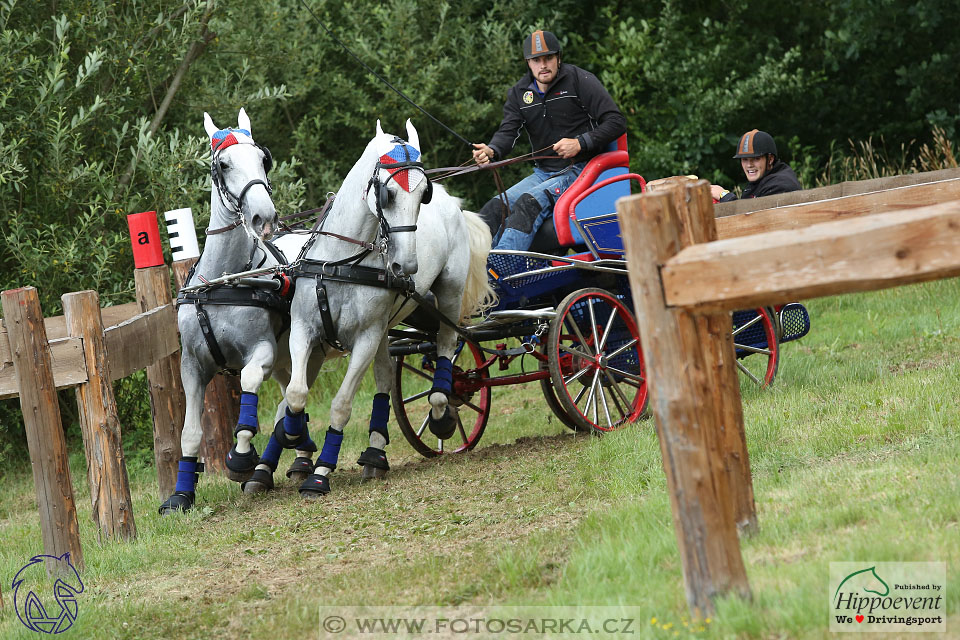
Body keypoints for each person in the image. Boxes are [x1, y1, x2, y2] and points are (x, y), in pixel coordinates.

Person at [472, 29, 627, 251]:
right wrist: (492, 150)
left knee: (528, 203)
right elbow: (507, 132)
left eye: (548, 58)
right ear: (528, 62)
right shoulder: (519, 93)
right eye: (536, 60)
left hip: (581, 171)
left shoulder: (579, 80)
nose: (543, 65)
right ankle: (479, 271)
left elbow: (616, 121)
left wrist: (580, 143)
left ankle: (502, 267)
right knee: (492, 209)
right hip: (543, 174)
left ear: (558, 58)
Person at [711, 129, 801, 202]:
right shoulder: (761, 180)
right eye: (745, 159)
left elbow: (755, 220)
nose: (749, 165)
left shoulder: (780, 186)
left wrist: (724, 196)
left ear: (770, 159)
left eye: (756, 159)